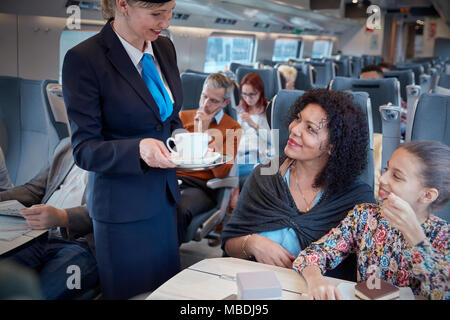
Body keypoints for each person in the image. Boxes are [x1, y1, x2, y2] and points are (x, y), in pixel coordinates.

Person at [62, 0, 183, 299]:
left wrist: (182, 138)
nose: (165, 22)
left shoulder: (164, 48)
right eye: (156, 14)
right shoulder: (84, 59)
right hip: (122, 212)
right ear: (123, 4)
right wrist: (138, 150)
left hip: (165, 202)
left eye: (171, 12)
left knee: (168, 294)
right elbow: (84, 149)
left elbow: (167, 118)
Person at [221, 89, 376, 280]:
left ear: (332, 147)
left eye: (310, 128)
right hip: (252, 287)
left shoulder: (356, 199)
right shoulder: (265, 176)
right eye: (297, 118)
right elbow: (229, 244)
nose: (294, 129)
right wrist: (252, 243)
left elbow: (368, 272)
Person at [294, 141, 449, 300]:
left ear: (427, 196)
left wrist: (414, 236)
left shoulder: (444, 236)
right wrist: (315, 280)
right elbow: (312, 255)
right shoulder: (365, 216)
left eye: (396, 176)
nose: (382, 178)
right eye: (386, 169)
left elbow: (442, 292)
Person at [1, 137, 98, 300]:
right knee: (8, 281)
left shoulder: (116, 155)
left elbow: (106, 212)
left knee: (40, 295)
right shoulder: (67, 145)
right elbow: (33, 190)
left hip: (82, 245)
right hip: (38, 235)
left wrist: (62, 217)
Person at [176, 73, 241, 245]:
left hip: (202, 187)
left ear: (225, 103)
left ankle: (165, 258)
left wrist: (204, 134)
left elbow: (222, 170)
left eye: (213, 101)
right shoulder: (183, 117)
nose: (206, 104)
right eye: (204, 96)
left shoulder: (232, 127)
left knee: (178, 209)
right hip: (173, 178)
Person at [236, 73, 273, 178]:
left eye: (252, 94)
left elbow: (273, 139)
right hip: (241, 151)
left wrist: (254, 125)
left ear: (260, 92)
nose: (248, 98)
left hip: (259, 153)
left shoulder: (268, 110)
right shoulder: (239, 108)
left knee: (232, 170)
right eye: (244, 94)